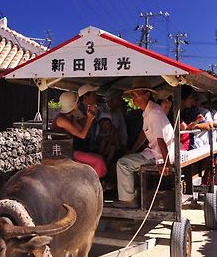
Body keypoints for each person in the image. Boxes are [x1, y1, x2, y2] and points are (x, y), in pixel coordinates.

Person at [113, 78, 174, 208]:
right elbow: (143, 133)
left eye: (136, 94)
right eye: (132, 95)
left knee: (122, 163)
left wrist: (166, 164)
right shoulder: (148, 111)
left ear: (146, 94)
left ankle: (128, 200)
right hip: (154, 152)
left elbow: (160, 139)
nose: (133, 98)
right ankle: (134, 193)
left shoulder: (154, 112)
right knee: (126, 158)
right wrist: (132, 151)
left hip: (159, 155)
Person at [51, 91, 107, 179]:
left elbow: (81, 129)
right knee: (98, 161)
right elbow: (82, 135)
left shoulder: (70, 116)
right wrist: (89, 119)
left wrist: (88, 116)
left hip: (71, 150)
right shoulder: (61, 120)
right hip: (66, 153)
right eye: (76, 102)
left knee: (99, 157)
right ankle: (94, 185)